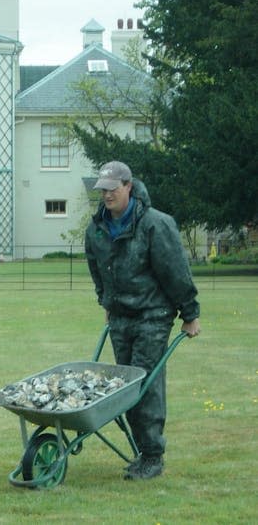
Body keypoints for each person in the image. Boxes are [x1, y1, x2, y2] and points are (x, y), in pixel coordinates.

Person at [85, 161, 201, 480]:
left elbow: (175, 271)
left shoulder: (154, 224)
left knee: (144, 384)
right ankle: (141, 452)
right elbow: (96, 268)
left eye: (113, 188)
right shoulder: (97, 228)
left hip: (153, 315)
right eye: (103, 190)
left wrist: (189, 313)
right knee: (125, 387)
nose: (107, 195)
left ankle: (152, 456)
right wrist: (105, 300)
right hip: (120, 317)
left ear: (128, 187)